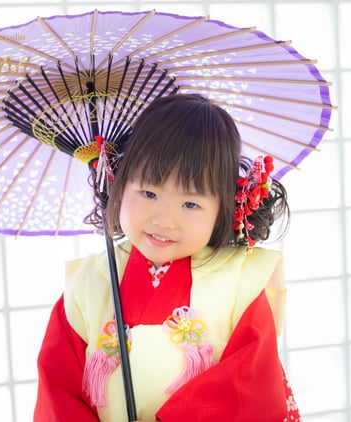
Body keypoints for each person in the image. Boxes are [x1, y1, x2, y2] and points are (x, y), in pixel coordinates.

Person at [34, 93, 301, 421]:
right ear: (118, 184)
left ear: (223, 209)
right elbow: (59, 391)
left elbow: (247, 387)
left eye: (190, 204)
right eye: (149, 193)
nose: (164, 220)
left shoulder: (240, 283)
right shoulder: (88, 284)